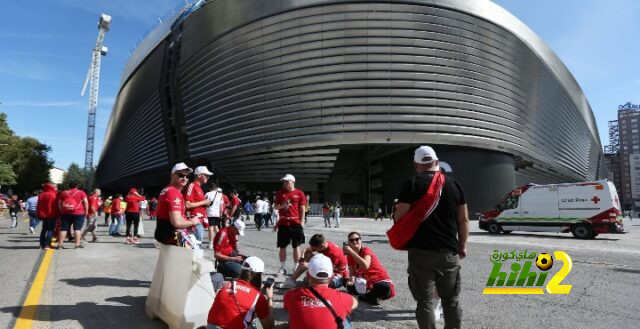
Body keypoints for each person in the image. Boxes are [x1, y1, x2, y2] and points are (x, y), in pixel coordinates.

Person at [393, 145, 469, 329]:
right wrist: (462, 246)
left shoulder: (410, 184)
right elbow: (464, 220)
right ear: (436, 161)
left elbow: (400, 217)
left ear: (415, 164)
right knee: (451, 300)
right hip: (449, 252)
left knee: (425, 302)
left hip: (421, 253)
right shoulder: (454, 184)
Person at [283, 254, 357, 329]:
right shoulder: (343, 298)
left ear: (308, 275)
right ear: (331, 277)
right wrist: (352, 287)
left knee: (294, 315)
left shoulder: (290, 295)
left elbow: (287, 309)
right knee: (345, 318)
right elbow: (354, 303)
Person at [206, 256, 275, 329]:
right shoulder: (258, 297)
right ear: (257, 275)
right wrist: (270, 298)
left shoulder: (227, 286)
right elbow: (269, 326)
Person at [343, 231, 395, 305]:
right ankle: (371, 297)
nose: (354, 242)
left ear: (361, 240)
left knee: (384, 287)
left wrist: (351, 252)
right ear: (349, 243)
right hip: (365, 282)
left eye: (357, 239)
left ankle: (366, 296)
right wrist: (351, 280)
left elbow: (365, 266)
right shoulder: (350, 257)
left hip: (378, 280)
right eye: (351, 240)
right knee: (345, 282)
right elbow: (352, 273)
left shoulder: (366, 250)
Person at [279, 233, 348, 289]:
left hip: (338, 277)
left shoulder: (334, 254)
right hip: (328, 270)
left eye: (316, 249)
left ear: (322, 246)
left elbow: (327, 270)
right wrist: (302, 257)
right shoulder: (323, 244)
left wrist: (309, 266)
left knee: (310, 280)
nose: (315, 250)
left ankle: (315, 284)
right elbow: (306, 250)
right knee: (308, 255)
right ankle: (291, 281)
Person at [154, 163, 198, 245]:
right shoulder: (173, 193)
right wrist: (193, 222)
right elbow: (177, 222)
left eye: (187, 176)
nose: (185, 178)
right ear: (172, 175)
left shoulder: (167, 190)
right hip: (173, 237)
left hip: (166, 235)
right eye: (181, 175)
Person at [274, 174, 307, 275]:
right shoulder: (280, 193)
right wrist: (282, 206)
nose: (284, 183)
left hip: (295, 223)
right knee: (282, 246)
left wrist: (302, 222)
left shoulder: (300, 193)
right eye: (284, 182)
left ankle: (296, 266)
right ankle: (282, 267)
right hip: (283, 223)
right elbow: (275, 206)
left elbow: (302, 209)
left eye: (286, 181)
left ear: (292, 182)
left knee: (296, 246)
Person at [184, 166, 213, 242]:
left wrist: (205, 203)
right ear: (199, 175)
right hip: (195, 219)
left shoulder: (198, 187)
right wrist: (204, 202)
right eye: (206, 175)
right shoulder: (192, 186)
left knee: (197, 242)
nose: (208, 177)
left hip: (198, 219)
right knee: (196, 243)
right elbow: (187, 204)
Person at [57, 181, 89, 249]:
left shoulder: (63, 193)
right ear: (76, 186)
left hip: (66, 213)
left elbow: (59, 203)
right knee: (77, 229)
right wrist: (86, 212)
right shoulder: (81, 192)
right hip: (78, 213)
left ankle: (60, 245)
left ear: (69, 186)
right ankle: (77, 244)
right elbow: (86, 203)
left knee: (64, 229)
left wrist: (61, 211)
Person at [36, 182, 58, 249]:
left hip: (43, 215)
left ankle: (41, 244)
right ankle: (47, 244)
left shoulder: (41, 195)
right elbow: (56, 206)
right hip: (52, 214)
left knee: (44, 229)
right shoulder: (54, 195)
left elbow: (38, 206)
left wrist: (38, 214)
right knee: (50, 230)